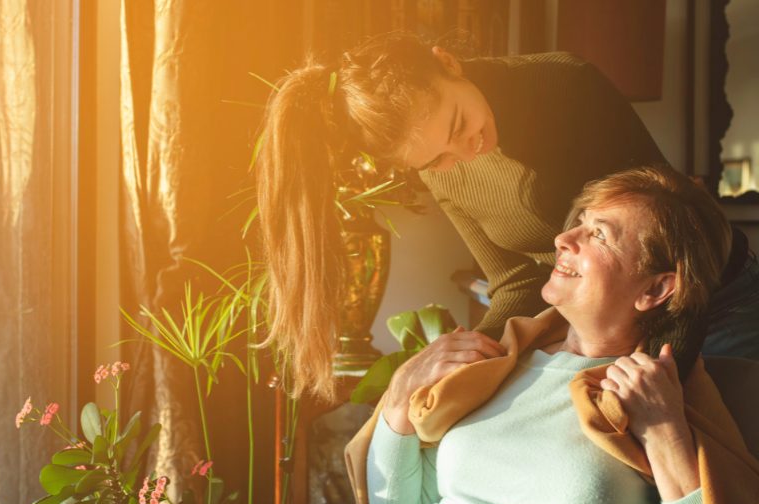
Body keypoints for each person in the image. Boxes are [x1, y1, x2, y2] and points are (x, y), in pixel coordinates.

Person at [254, 30, 758, 402]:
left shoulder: (563, 85)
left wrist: (655, 384)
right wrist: (467, 370)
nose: (465, 150)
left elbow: (670, 251)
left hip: (707, 294)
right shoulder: (442, 167)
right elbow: (515, 279)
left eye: (459, 123)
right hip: (615, 322)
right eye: (435, 159)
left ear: (448, 63)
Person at [365, 165, 729, 504]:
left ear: (655, 289)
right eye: (578, 223)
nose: (563, 240)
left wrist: (667, 436)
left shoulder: (660, 400)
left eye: (599, 234)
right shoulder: (498, 368)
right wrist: (399, 400)